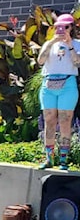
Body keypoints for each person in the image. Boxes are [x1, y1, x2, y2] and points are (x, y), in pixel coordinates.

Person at [37, 13, 80, 169]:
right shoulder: (49, 44)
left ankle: (63, 158)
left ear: (72, 28)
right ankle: (49, 157)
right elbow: (40, 61)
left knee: (65, 121)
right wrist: (52, 42)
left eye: (66, 27)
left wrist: (69, 45)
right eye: (59, 27)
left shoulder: (77, 44)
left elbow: (77, 62)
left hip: (67, 84)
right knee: (49, 121)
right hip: (49, 84)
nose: (62, 30)